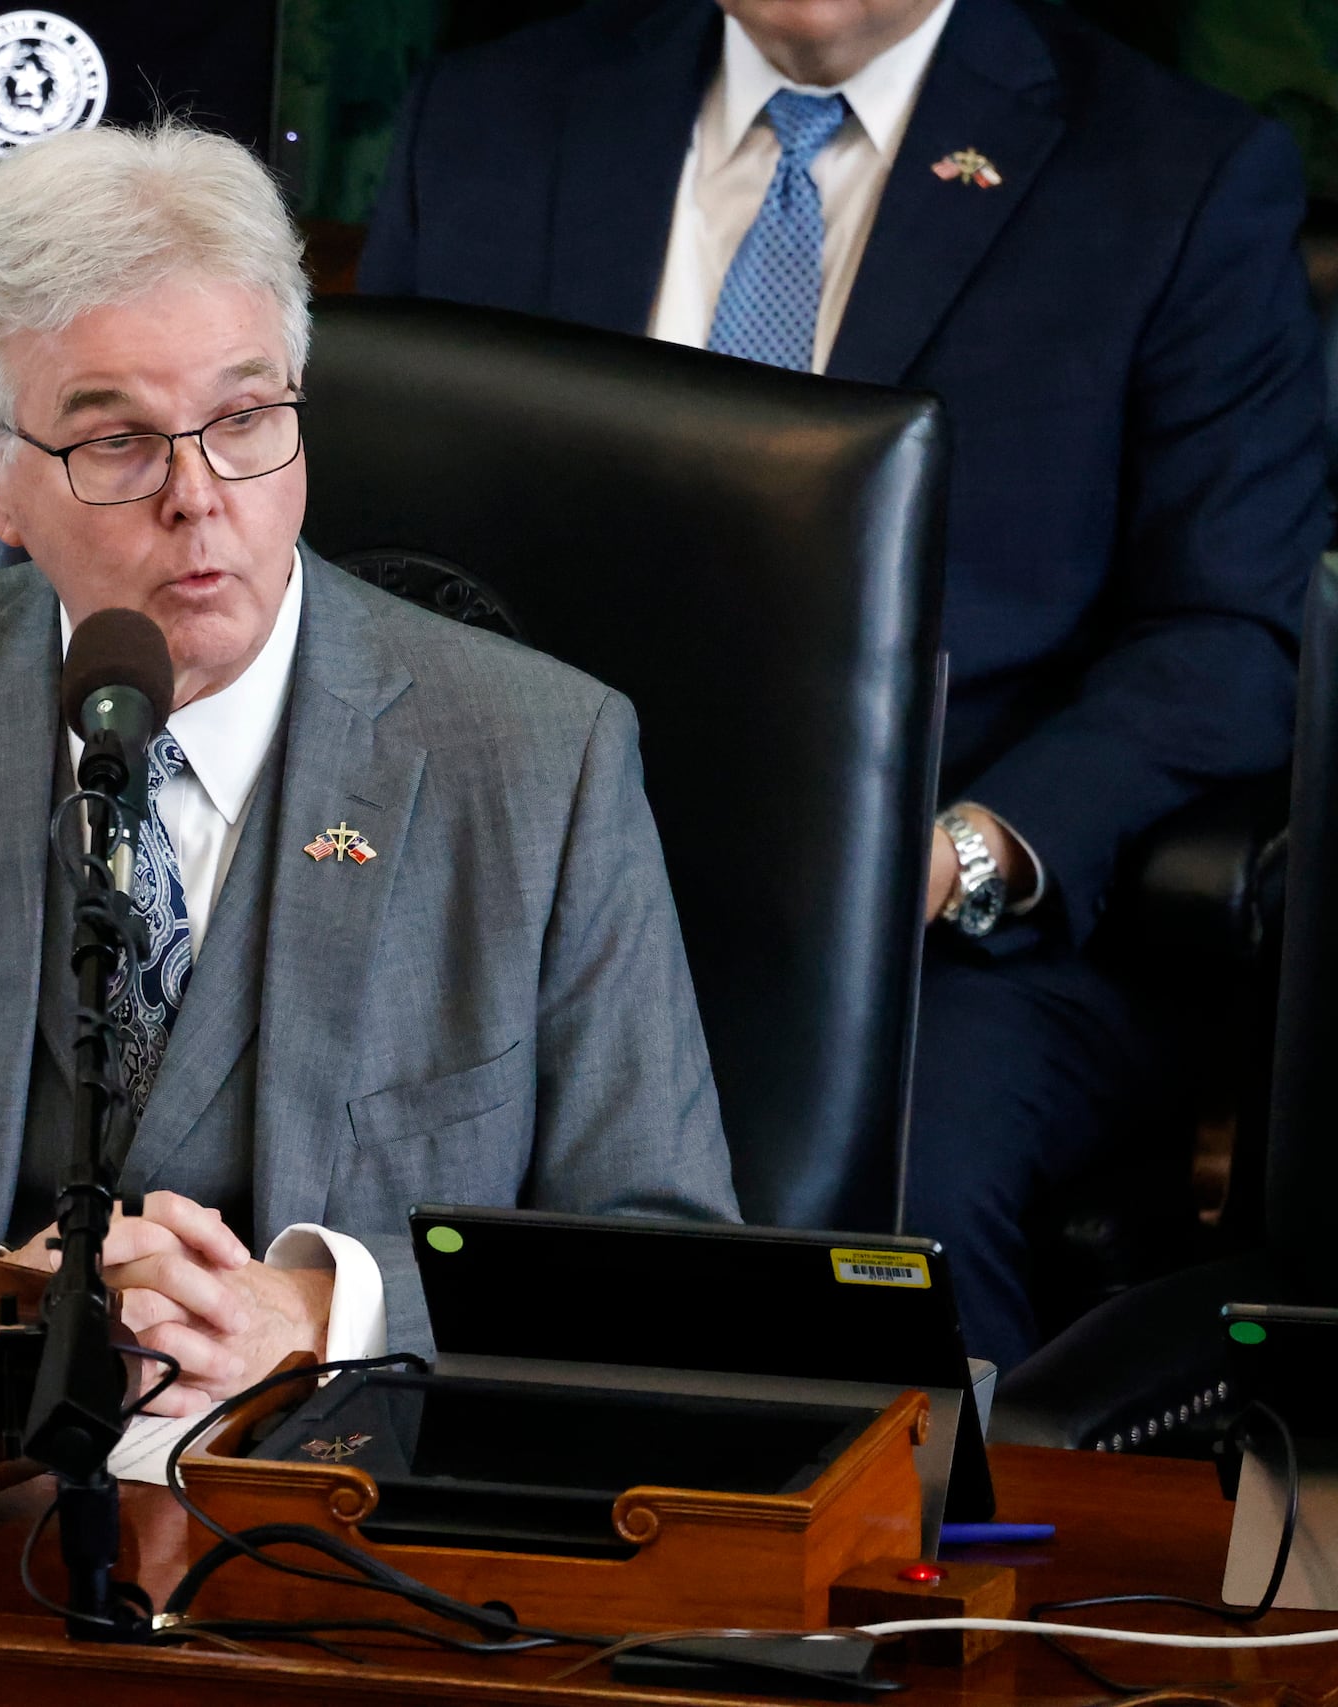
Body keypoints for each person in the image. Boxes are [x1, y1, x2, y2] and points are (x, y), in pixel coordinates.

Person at [0, 120, 738, 1415]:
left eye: (242, 418)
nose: (199, 495)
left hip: (336, 1506)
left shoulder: (537, 761)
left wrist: (327, 1311)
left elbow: (666, 1262)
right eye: (116, 441)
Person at [359, 0, 1329, 1372]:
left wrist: (960, 857)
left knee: (889, 1210)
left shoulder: (1172, 175)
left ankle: (917, 1580)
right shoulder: (494, 119)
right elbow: (366, 535)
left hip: (930, 930)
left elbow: (1236, 632)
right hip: (507, 881)